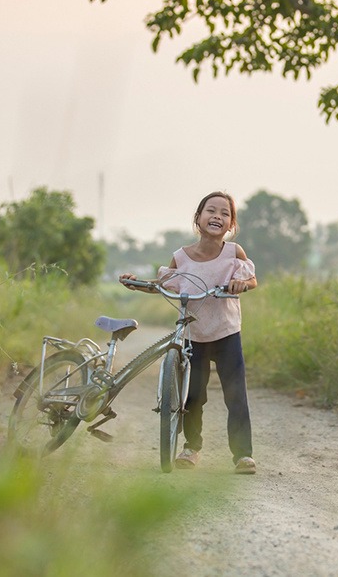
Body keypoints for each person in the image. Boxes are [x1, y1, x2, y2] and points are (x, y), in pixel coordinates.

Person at [120, 191, 258, 474]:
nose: (217, 216)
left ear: (231, 225)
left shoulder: (234, 253)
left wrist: (241, 282)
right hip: (194, 335)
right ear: (198, 218)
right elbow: (162, 282)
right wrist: (136, 284)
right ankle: (191, 448)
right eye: (211, 210)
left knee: (235, 394)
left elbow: (252, 278)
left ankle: (243, 455)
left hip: (227, 333)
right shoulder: (181, 258)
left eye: (225, 213)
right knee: (193, 396)